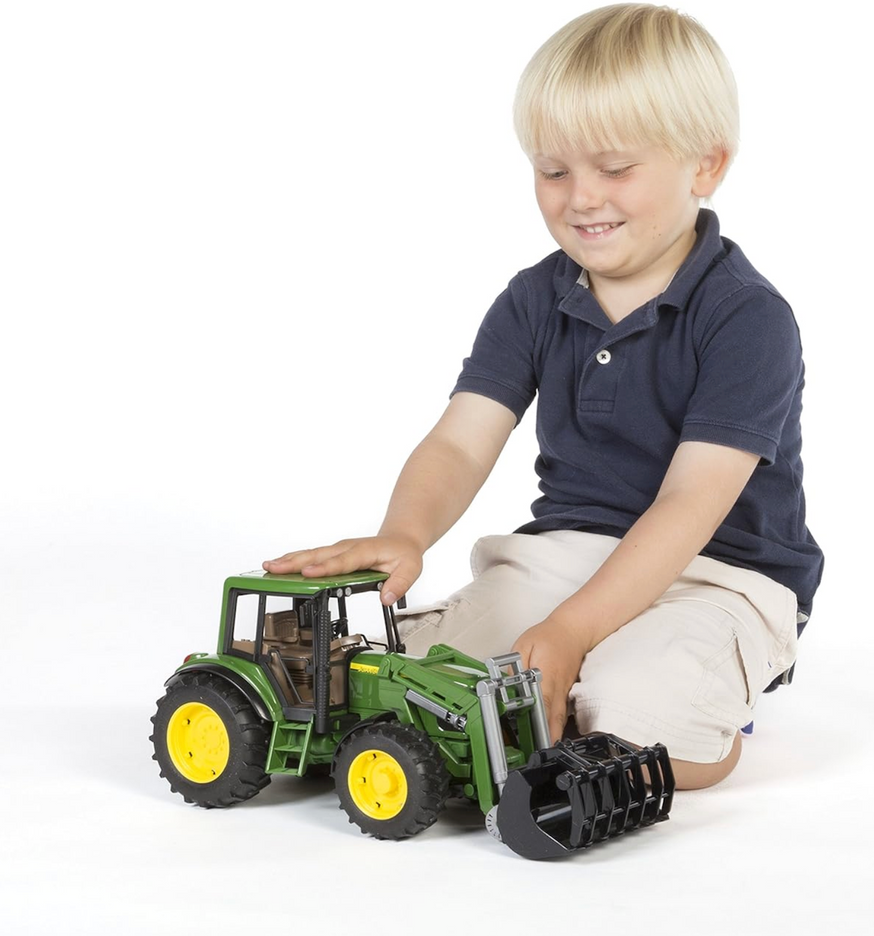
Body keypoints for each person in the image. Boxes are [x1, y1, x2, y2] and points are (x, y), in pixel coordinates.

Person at [264, 3, 823, 790]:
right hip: (569, 555)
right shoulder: (534, 298)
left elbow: (690, 505)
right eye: (554, 171)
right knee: (410, 679)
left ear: (705, 165)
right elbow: (461, 440)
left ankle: (714, 712)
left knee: (624, 715)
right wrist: (406, 533)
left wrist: (570, 632)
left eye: (614, 168)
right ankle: (572, 661)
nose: (580, 198)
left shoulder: (747, 319)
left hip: (721, 572)